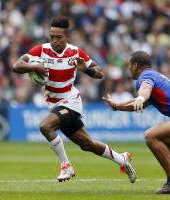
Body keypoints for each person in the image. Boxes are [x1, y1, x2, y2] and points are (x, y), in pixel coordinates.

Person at [12, 15, 136, 183]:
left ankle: (66, 166)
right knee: (87, 144)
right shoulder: (41, 50)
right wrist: (34, 66)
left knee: (45, 126)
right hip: (55, 104)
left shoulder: (75, 52)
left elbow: (100, 73)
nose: (54, 40)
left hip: (71, 102)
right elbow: (16, 66)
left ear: (67, 37)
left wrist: (85, 69)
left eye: (59, 37)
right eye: (52, 37)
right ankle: (122, 159)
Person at [103, 50, 170, 194]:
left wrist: (140, 98)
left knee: (151, 136)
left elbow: (144, 91)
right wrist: (117, 106)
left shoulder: (145, 76)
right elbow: (140, 104)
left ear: (135, 65)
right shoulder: (154, 75)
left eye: (129, 65)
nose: (128, 69)